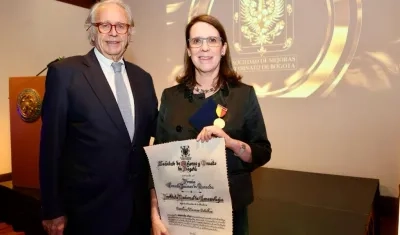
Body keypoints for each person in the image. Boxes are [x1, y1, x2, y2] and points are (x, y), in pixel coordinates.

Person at [39, 0, 158, 234]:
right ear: (92, 31)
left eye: (121, 26)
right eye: (105, 25)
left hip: (138, 211)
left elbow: (156, 133)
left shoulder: (143, 79)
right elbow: (50, 147)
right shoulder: (65, 74)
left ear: (130, 32)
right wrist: (52, 209)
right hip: (88, 213)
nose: (113, 33)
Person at [150, 14, 272, 235]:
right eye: (196, 41)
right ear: (188, 49)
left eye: (212, 40)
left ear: (223, 48)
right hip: (180, 209)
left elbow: (262, 151)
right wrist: (154, 213)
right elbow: (158, 160)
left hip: (229, 212)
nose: (204, 48)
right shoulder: (170, 97)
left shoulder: (243, 95)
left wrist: (231, 143)